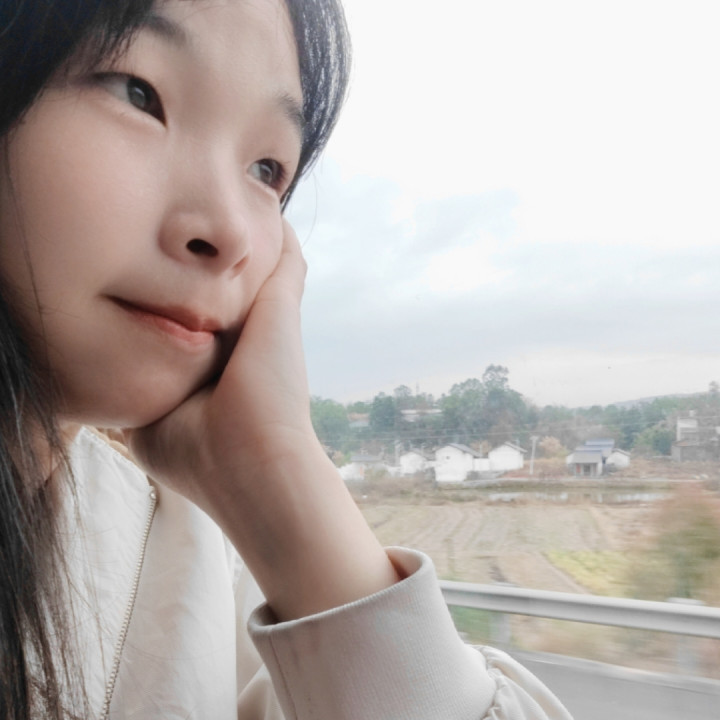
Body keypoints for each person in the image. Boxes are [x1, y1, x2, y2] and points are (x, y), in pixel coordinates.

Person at [0, 0, 574, 718]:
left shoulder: (202, 566)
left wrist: (275, 469)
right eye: (139, 95)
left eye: (267, 169)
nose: (230, 233)